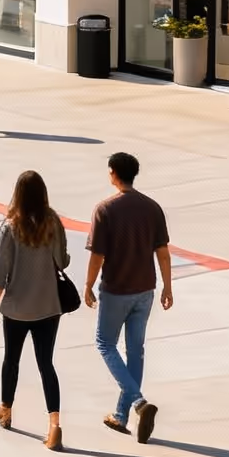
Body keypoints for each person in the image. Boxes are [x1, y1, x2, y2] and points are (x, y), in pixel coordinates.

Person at [85, 151, 173, 441]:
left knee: (105, 344)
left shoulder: (105, 210)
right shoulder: (152, 208)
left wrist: (88, 285)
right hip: (145, 289)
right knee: (136, 350)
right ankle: (121, 415)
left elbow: (98, 255)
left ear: (113, 172)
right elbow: (162, 253)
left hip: (116, 290)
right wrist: (167, 287)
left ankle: (138, 403)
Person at [0, 169, 69, 451]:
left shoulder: (10, 226)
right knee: (46, 364)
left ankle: (6, 411)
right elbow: (63, 260)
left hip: (18, 308)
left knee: (12, 360)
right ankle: (54, 423)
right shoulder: (54, 222)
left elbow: (1, 270)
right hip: (49, 306)